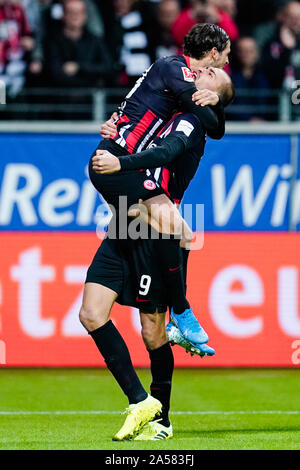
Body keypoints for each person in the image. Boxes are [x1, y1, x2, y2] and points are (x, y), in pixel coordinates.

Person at [79, 65, 234, 441]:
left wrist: (120, 162)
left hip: (154, 228)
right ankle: (139, 401)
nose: (203, 71)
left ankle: (161, 420)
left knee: (151, 332)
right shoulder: (169, 109)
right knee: (90, 314)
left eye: (213, 74)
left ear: (213, 94)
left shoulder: (192, 121)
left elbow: (167, 153)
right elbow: (136, 122)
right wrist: (115, 128)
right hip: (125, 220)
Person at [89, 23, 231, 349]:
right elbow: (213, 127)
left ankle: (175, 317)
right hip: (119, 163)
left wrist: (215, 104)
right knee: (180, 232)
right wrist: (214, 105)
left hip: (130, 168)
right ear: (212, 54)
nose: (227, 60)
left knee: (172, 235)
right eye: (225, 55)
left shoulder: (182, 101)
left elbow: (213, 127)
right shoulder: (174, 69)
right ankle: (180, 312)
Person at [171, 0, 239, 52]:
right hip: (189, 62)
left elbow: (232, 36)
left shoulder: (219, 14)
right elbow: (176, 36)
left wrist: (217, 17)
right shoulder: (187, 14)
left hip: (215, 63)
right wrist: (193, 16)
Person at [230, 37, 269, 121]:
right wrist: (249, 119)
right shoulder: (228, 78)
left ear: (257, 53)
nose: (246, 54)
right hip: (236, 128)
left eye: (250, 51)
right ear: (236, 53)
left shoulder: (266, 77)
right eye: (242, 51)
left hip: (265, 126)